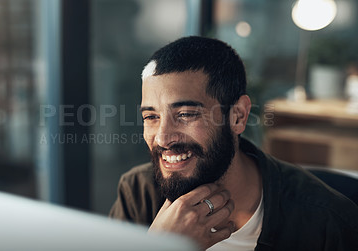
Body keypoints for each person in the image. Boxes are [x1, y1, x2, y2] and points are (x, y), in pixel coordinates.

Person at [109, 36, 358, 250]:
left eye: (185, 114)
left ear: (238, 116)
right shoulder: (138, 193)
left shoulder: (328, 223)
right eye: (151, 117)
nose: (163, 138)